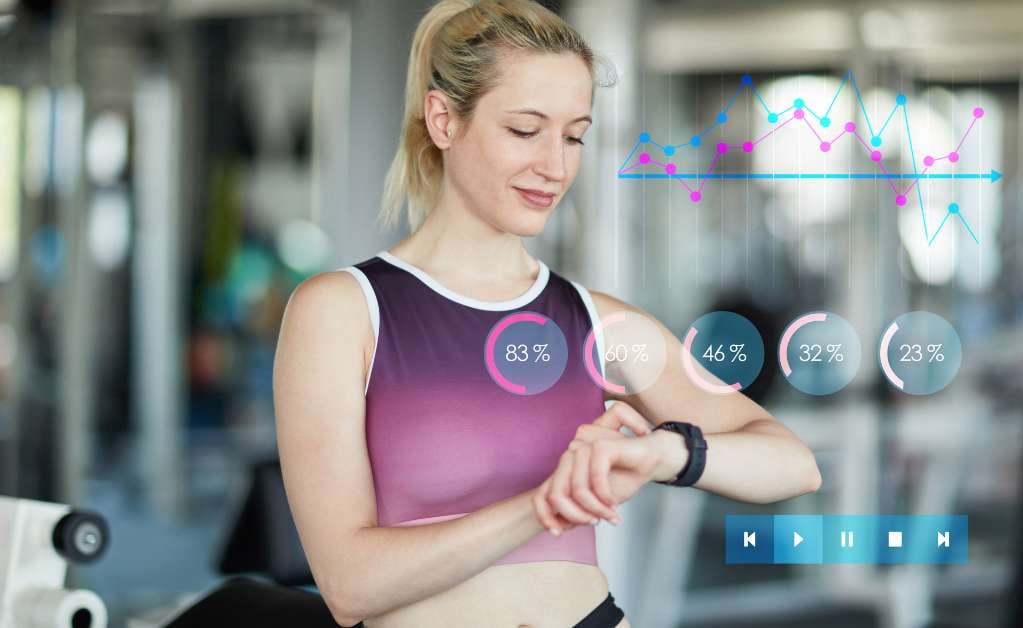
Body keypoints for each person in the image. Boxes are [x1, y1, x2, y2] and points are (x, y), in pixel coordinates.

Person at [272, 1, 822, 626]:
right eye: (525, 130)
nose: (556, 167)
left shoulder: (600, 326)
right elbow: (350, 587)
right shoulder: (344, 312)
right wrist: (543, 505)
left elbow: (791, 463)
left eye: (574, 135)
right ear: (443, 119)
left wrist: (666, 455)